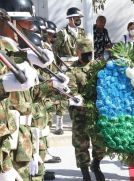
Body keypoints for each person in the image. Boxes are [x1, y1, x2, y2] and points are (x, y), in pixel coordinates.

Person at [0, 1, 67, 181]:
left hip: (22, 139)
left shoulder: (13, 51)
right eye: (25, 23)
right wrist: (4, 165)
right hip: (7, 147)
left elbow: (29, 99)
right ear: (9, 21)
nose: (29, 28)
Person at [66, 38, 106, 181]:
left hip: (97, 113)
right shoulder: (72, 70)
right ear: (77, 53)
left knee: (100, 144)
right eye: (85, 53)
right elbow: (71, 89)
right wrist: (76, 97)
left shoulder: (98, 67)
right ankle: (86, 177)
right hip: (80, 114)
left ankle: (96, 164)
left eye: (90, 53)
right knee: (81, 146)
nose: (88, 56)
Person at [54, 7, 86, 135]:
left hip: (78, 65)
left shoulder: (82, 32)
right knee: (63, 94)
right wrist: (57, 67)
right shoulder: (62, 33)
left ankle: (76, 123)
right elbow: (55, 50)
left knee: (77, 93)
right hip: (65, 64)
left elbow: (84, 48)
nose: (79, 20)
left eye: (80, 18)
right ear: (71, 19)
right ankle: (59, 124)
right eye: (77, 18)